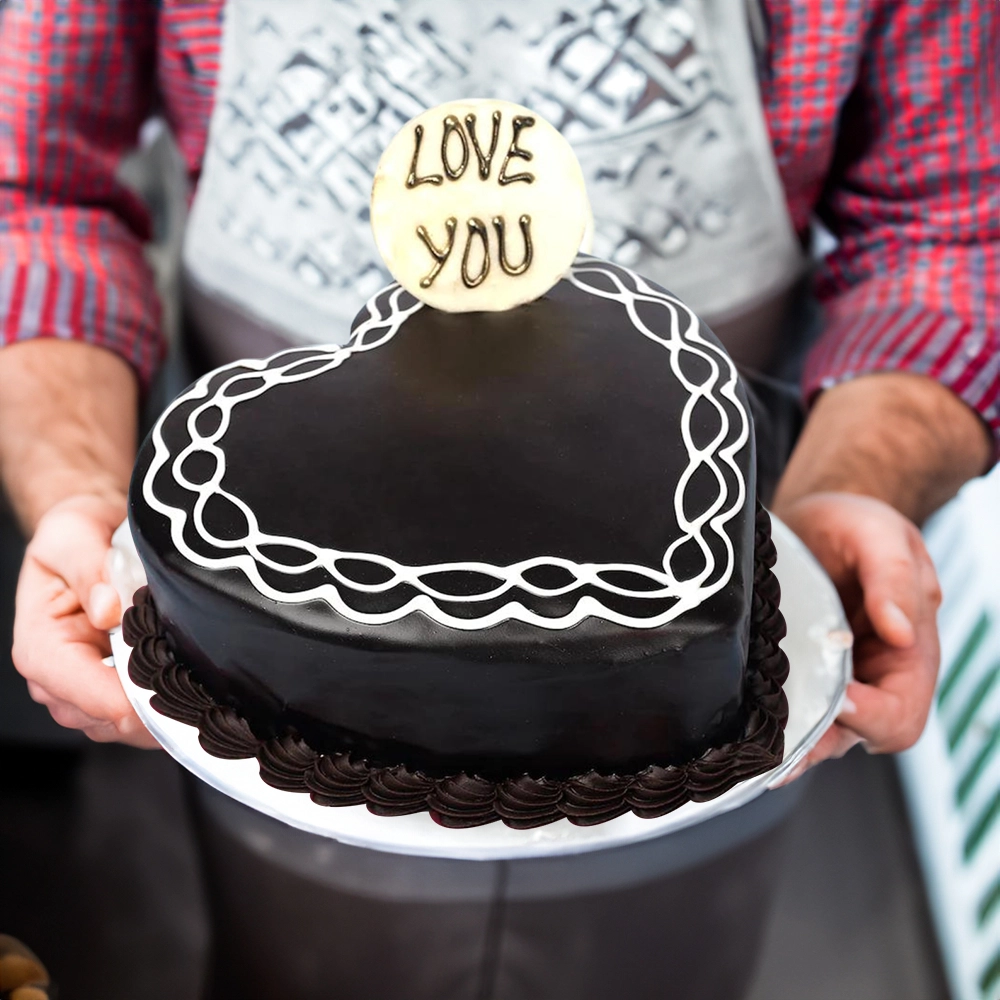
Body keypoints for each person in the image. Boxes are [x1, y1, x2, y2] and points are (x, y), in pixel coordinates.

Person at [0, 1, 995, 997]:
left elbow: (951, 235)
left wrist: (849, 489)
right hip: (264, 613)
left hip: (707, 571)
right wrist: (78, 491)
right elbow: (35, 191)